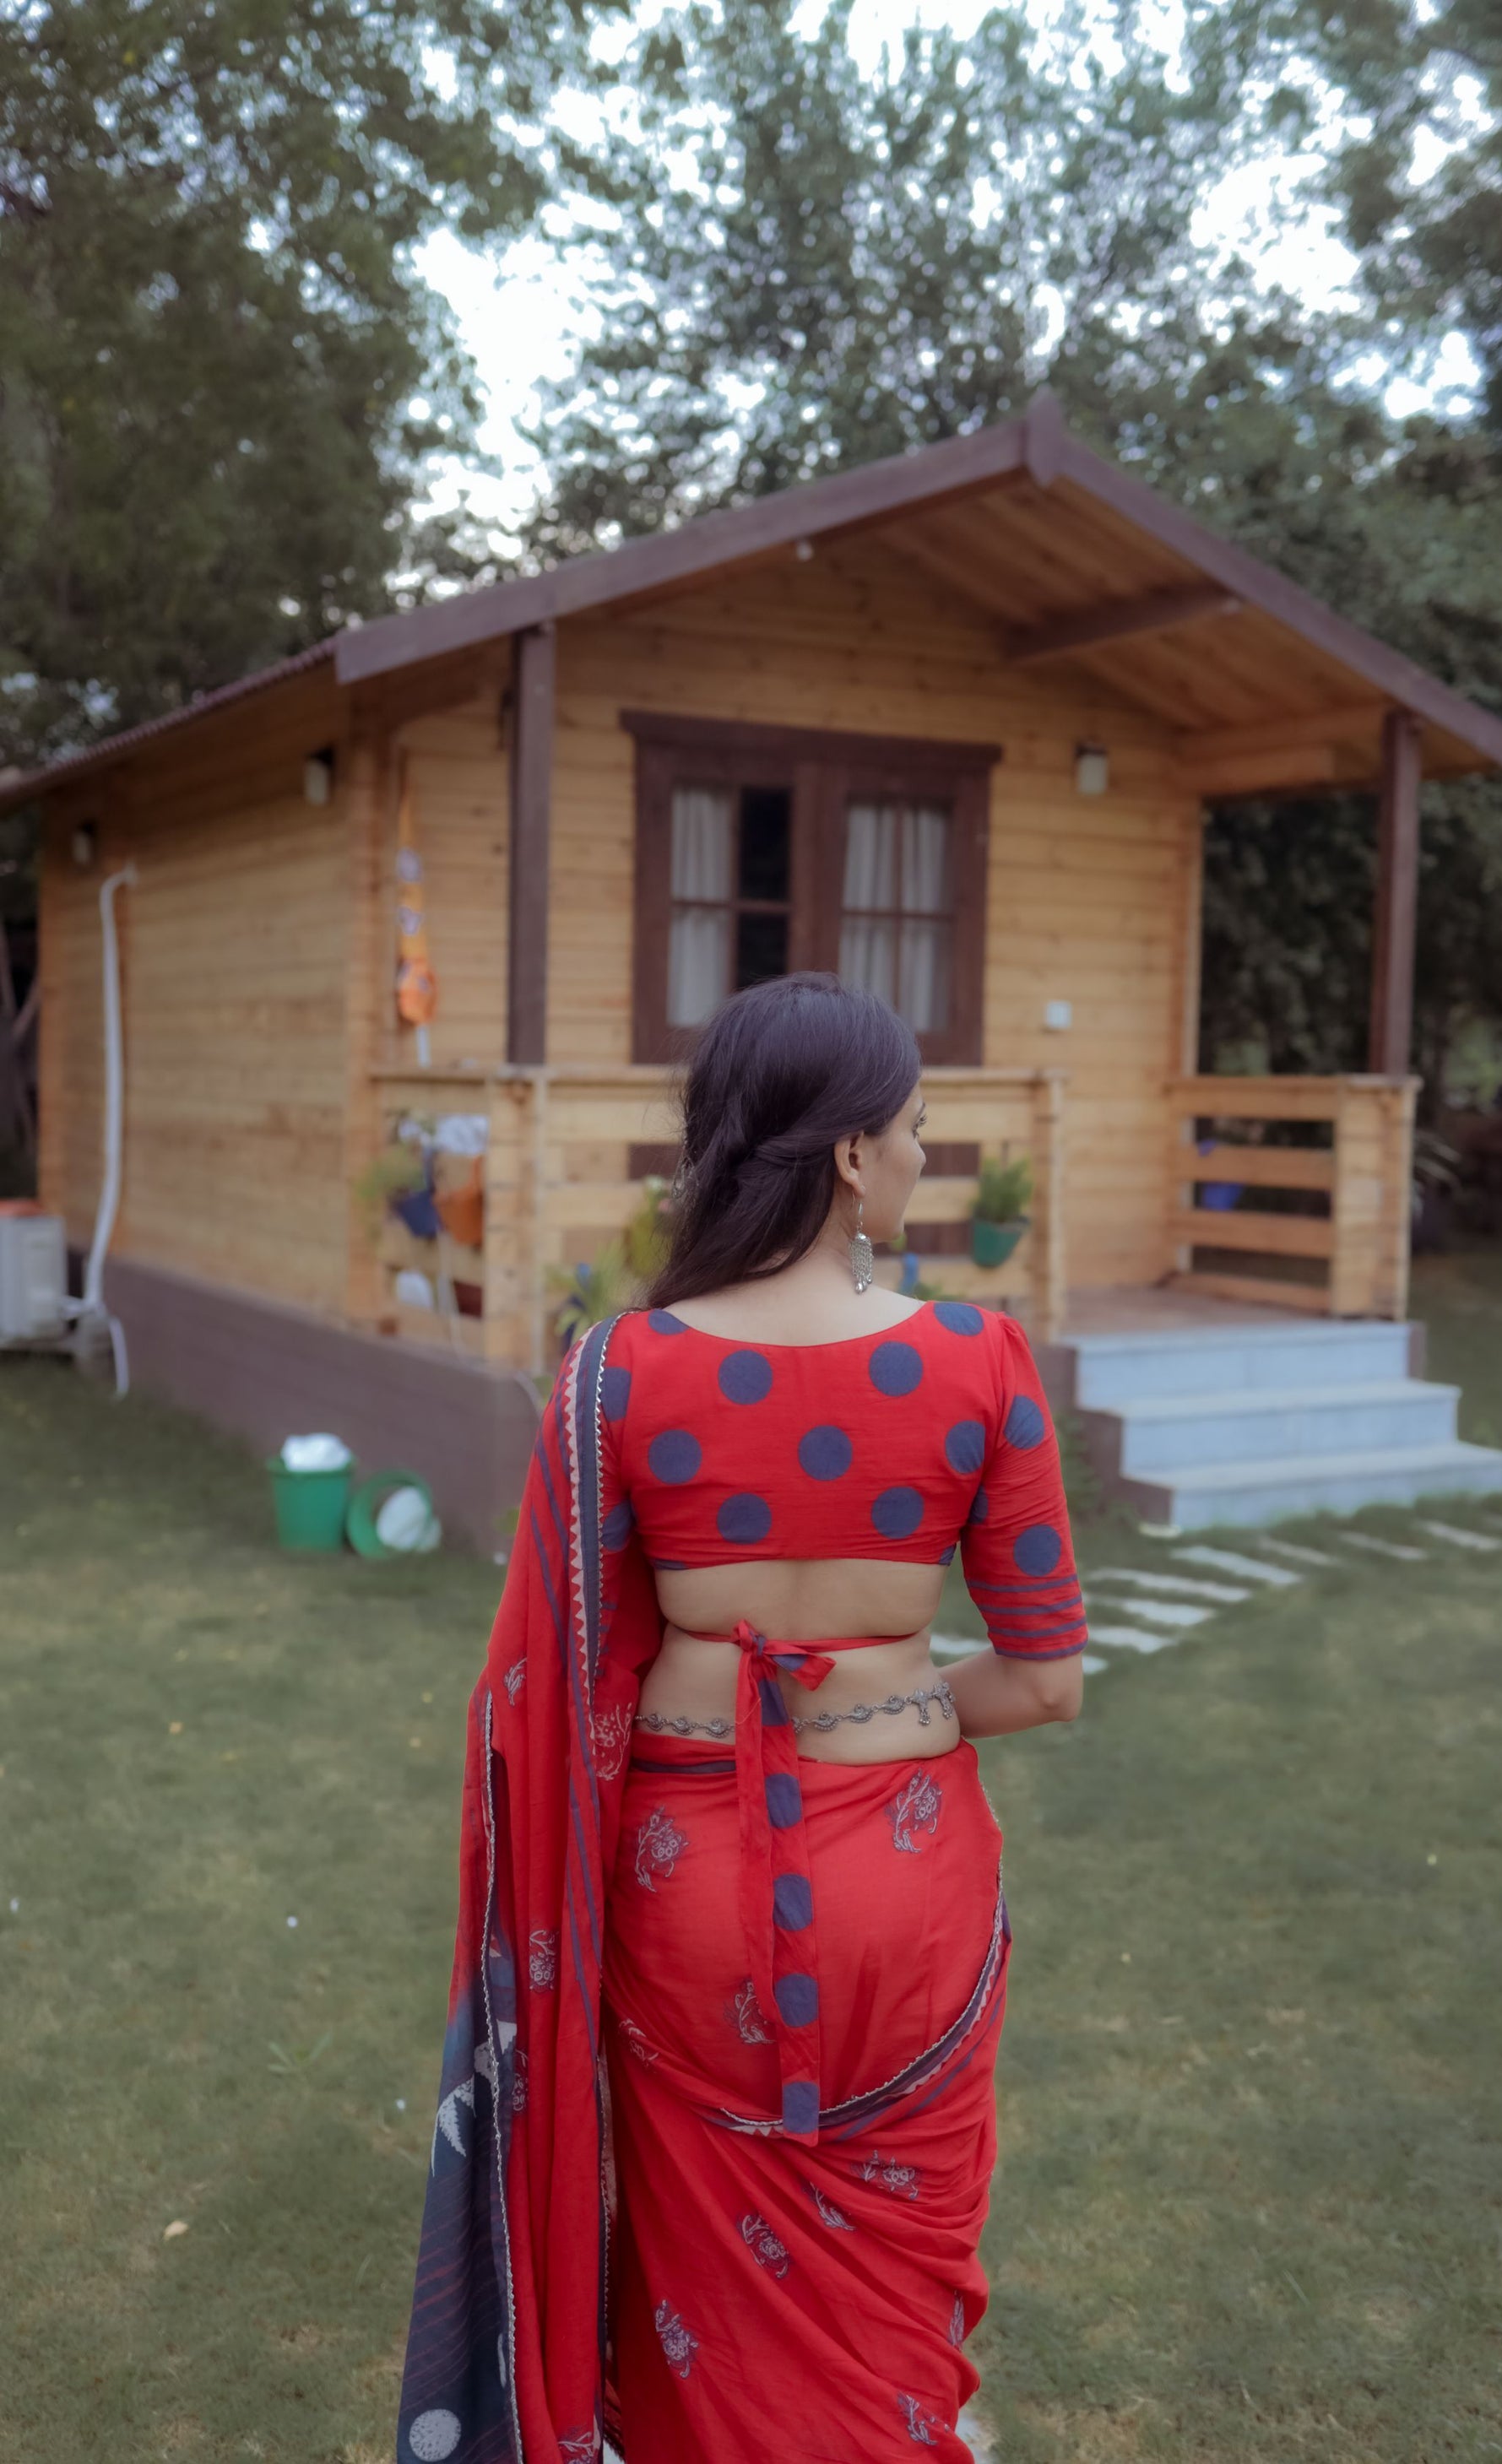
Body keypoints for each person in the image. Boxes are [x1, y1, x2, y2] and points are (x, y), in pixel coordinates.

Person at [398, 973, 1085, 2464]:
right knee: (893, 2309)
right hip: (907, 1896)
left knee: (703, 2295)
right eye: (911, 1128)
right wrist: (883, 1702)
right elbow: (1042, 1680)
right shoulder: (975, 1362)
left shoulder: (617, 1377)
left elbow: (555, 1686)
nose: (921, 1155)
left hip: (682, 1888)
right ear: (846, 1152)